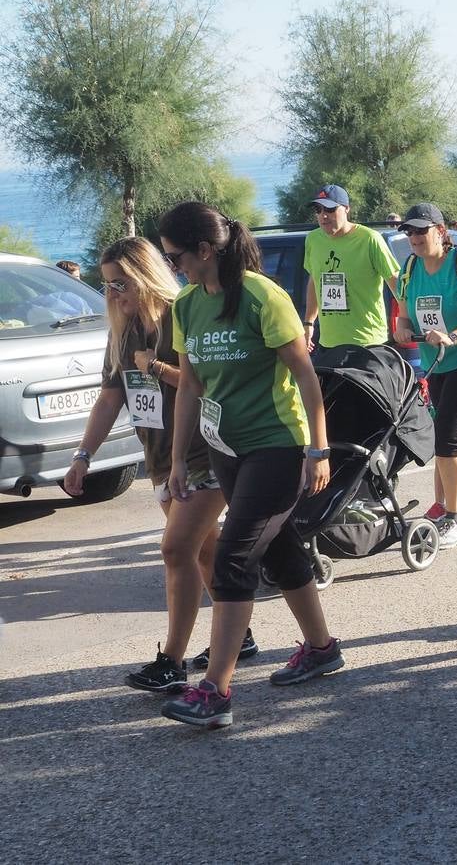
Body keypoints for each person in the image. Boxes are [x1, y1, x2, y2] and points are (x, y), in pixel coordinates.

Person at [157, 202, 343, 730]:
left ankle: (215, 691)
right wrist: (177, 461)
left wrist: (319, 448)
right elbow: (191, 385)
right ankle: (323, 648)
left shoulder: (263, 296)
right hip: (226, 449)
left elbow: (306, 376)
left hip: (278, 445)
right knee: (280, 551)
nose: (175, 268)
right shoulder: (188, 304)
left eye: (177, 258)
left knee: (233, 560)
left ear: (206, 250)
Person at [63, 237, 229, 692]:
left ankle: (172, 661)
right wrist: (83, 456)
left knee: (176, 550)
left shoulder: (182, 314)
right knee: (204, 551)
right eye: (108, 287)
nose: (114, 295)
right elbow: (110, 397)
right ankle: (238, 634)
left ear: (146, 276)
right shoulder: (125, 329)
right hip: (158, 456)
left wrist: (156, 367)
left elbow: (206, 383)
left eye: (121, 284)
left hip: (201, 451)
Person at [392, 203, 457, 546]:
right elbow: (404, 316)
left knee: (447, 437)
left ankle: (455, 520)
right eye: (410, 232)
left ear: (441, 231)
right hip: (435, 364)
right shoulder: (409, 268)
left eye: (421, 230)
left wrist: (452, 337)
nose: (414, 238)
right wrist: (403, 329)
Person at [302, 184, 400, 351]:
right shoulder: (313, 240)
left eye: (330, 209)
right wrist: (308, 323)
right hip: (329, 344)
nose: (323, 215)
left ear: (347, 208)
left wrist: (407, 321)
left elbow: (396, 283)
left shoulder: (369, 239)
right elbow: (315, 280)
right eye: (318, 210)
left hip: (368, 342)